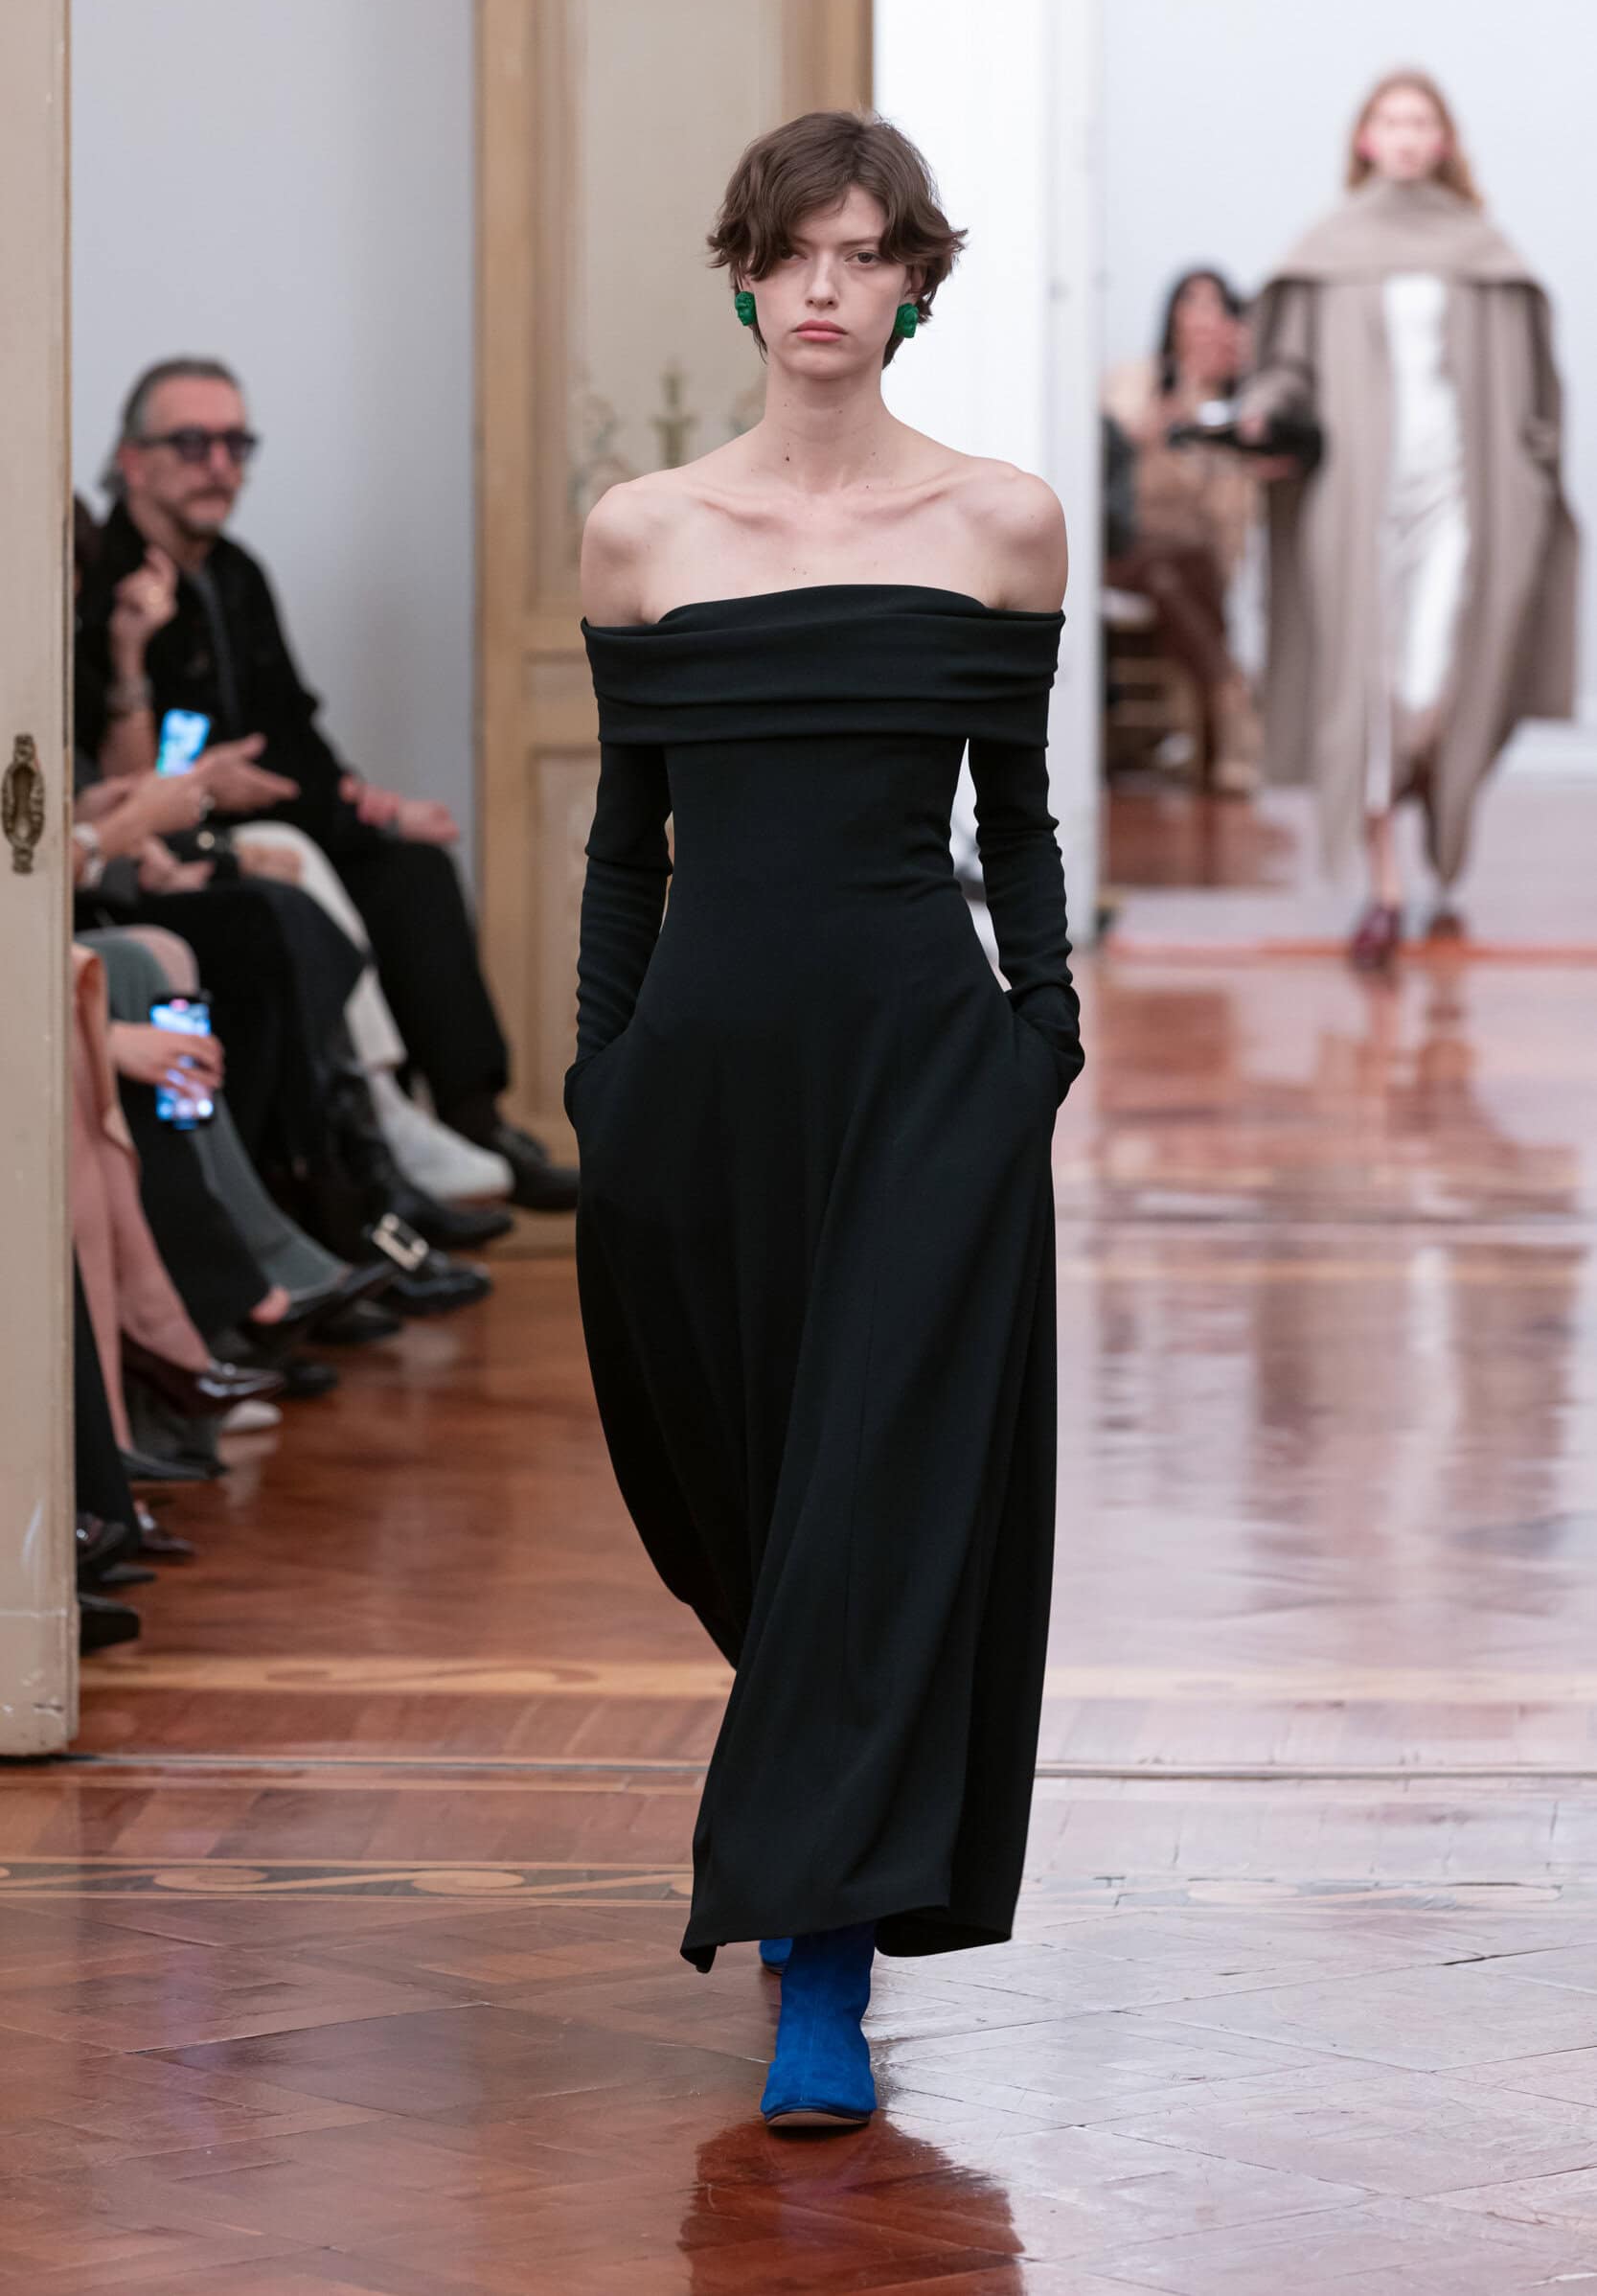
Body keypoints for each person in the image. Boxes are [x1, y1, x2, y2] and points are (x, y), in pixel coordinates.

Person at [567, 110, 1082, 2130]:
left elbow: (1013, 820)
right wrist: (604, 1074)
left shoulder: (999, 523)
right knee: (747, 1497)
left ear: (911, 286)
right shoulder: (644, 532)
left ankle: (823, 1964)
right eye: (791, 252)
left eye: (863, 254)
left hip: (921, 1075)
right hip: (700, 1080)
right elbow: (624, 844)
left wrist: (1038, 1044)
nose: (822, 286)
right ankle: (824, 1844)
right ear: (743, 277)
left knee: (881, 1496)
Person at [75, 361, 577, 1209]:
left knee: (410, 866)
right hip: (160, 833)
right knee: (288, 870)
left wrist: (363, 805)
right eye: (192, 444)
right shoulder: (100, 576)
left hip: (257, 812)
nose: (219, 465)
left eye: (236, 444)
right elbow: (111, 771)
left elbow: (292, 730)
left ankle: (471, 1118)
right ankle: (366, 1136)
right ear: (132, 460)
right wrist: (202, 783)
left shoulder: (236, 573)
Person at [1236, 70, 1579, 968]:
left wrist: (1530, 473)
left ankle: (1431, 786)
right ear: (1364, 139)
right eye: (1388, 119)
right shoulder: (1328, 250)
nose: (1404, 133)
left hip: (1464, 497)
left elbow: (1537, 392)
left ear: (1443, 141)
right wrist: (1260, 412)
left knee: (1434, 685)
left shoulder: (1483, 252)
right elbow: (1286, 370)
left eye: (1420, 120)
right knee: (1368, 689)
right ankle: (1384, 888)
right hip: (1352, 507)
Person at [1102, 267, 1262, 793]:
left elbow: (1229, 499)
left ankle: (1201, 732)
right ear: (1172, 314)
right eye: (1192, 302)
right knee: (1170, 568)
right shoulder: (1139, 378)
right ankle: (1229, 699)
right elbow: (1119, 434)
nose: (1203, 317)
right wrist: (1183, 388)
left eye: (1216, 305)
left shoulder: (1233, 402)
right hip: (1127, 546)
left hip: (1194, 558)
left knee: (1179, 569)